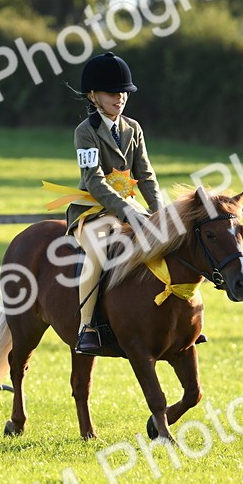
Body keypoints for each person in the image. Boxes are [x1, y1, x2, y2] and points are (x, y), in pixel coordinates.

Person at [68, 51, 165, 354]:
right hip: (92, 212)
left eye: (124, 92)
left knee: (170, 242)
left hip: (130, 209)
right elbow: (95, 181)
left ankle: (175, 318)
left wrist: (161, 214)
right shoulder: (85, 132)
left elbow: (146, 175)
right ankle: (87, 326)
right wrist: (129, 210)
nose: (120, 98)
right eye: (112, 92)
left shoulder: (133, 129)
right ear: (93, 95)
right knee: (97, 250)